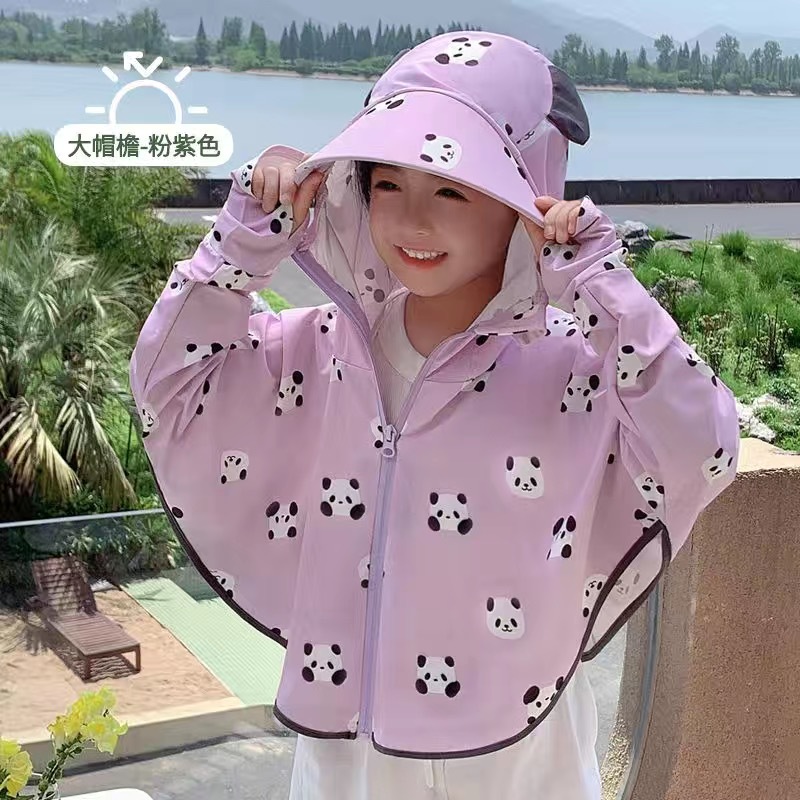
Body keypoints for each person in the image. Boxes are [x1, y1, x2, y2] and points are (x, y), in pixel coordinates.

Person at [130, 31, 740, 799]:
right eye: (387, 183)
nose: (412, 221)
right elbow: (170, 381)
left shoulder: (572, 367)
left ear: (524, 200)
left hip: (519, 751)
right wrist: (246, 241)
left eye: (452, 189)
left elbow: (704, 444)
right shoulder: (321, 350)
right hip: (350, 751)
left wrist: (600, 284)